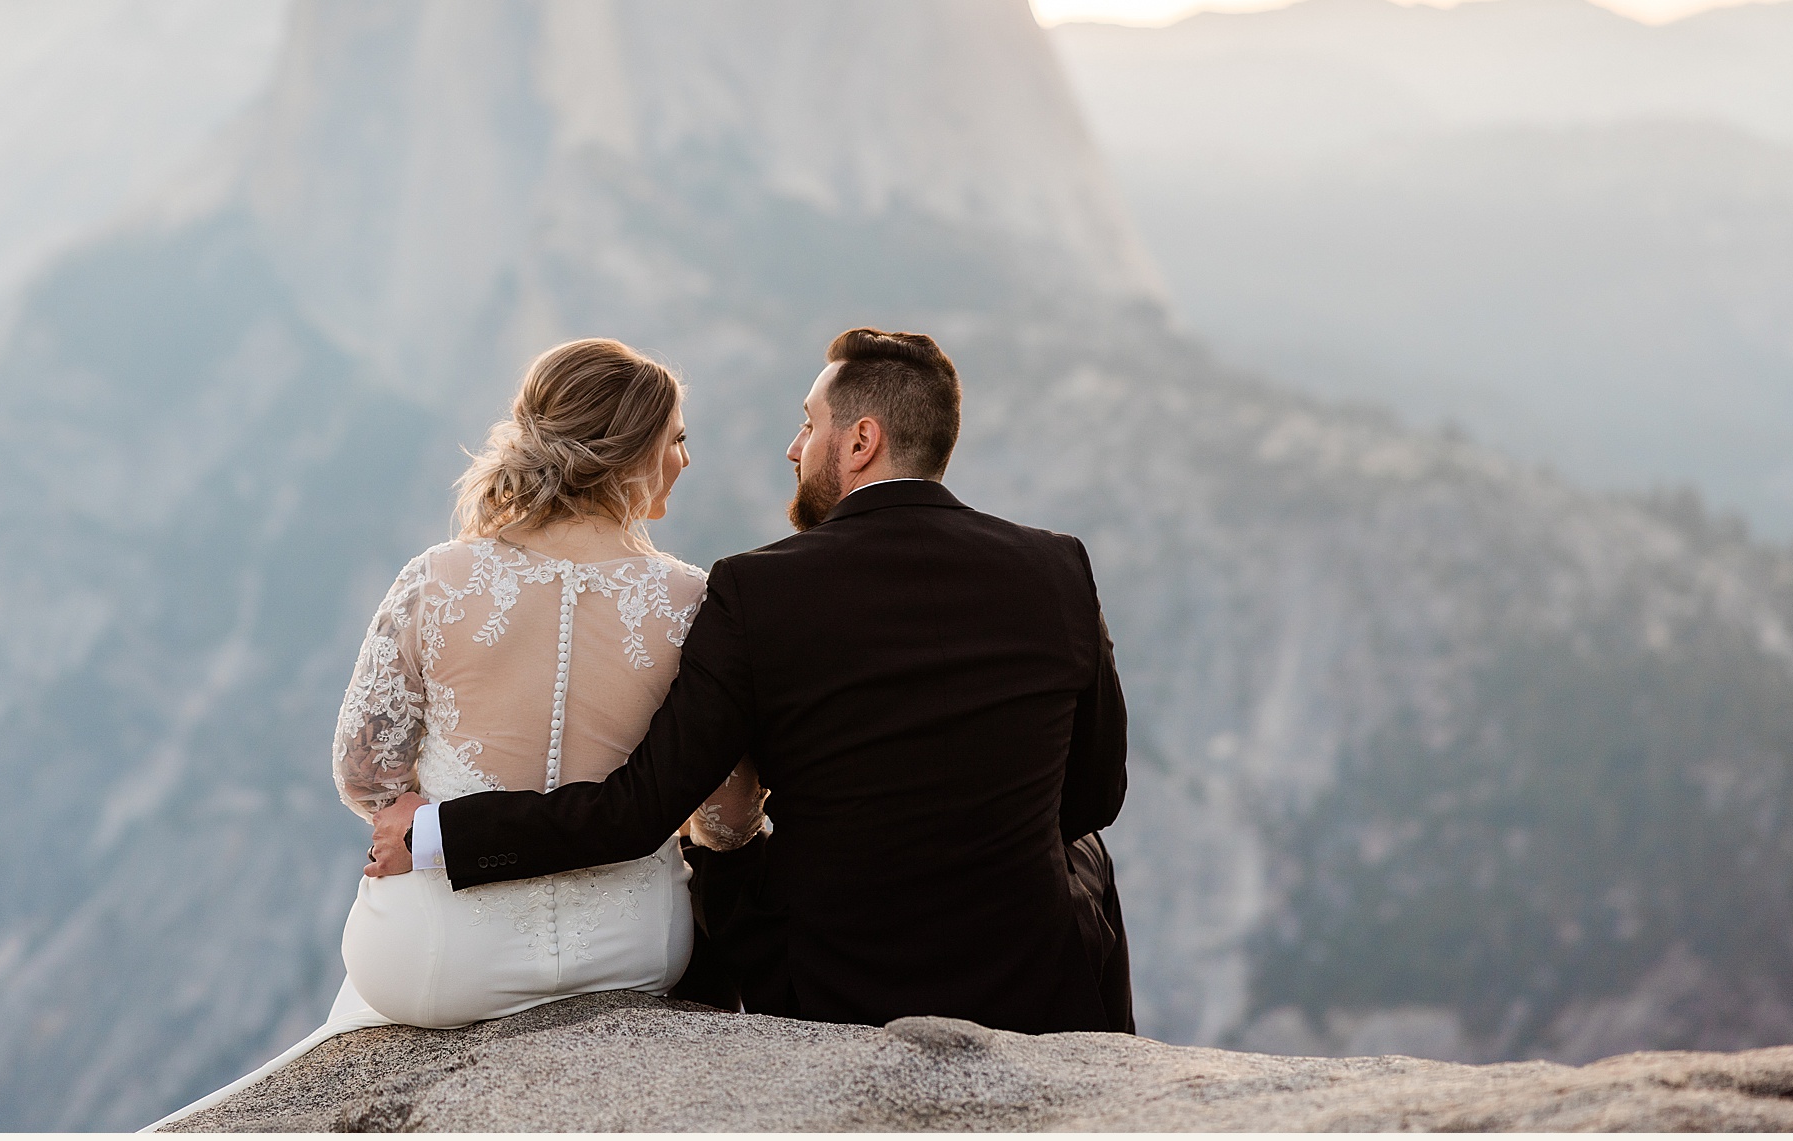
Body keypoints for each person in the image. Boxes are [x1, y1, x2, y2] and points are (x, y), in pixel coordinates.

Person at [369, 327, 1133, 1036]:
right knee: (1084, 853)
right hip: (1034, 978)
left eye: (809, 424)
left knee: (733, 852)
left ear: (861, 440)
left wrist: (437, 830)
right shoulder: (1057, 566)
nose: (794, 447)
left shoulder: (756, 591)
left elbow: (638, 811)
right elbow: (1094, 796)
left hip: (835, 986)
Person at [146, 338, 761, 1132]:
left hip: (438, 959)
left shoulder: (436, 577)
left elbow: (364, 774)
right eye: (676, 438)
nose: (685, 457)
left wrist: (430, 817)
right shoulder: (692, 602)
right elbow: (727, 816)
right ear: (633, 452)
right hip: (632, 949)